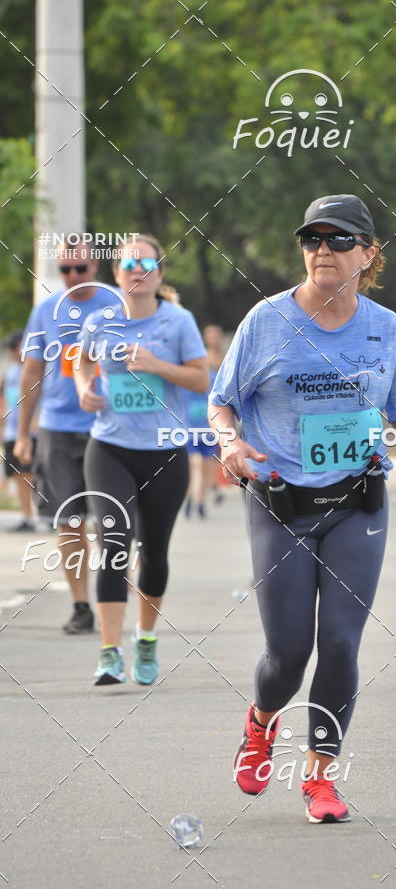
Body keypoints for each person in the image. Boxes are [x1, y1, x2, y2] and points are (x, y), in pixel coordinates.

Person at [208, 194, 396, 823]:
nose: (323, 250)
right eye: (313, 239)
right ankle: (262, 722)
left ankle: (319, 779)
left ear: (368, 254)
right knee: (288, 653)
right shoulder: (267, 321)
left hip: (357, 501)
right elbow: (222, 402)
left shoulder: (387, 329)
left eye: (340, 240)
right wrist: (229, 443)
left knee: (339, 643)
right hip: (280, 500)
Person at [73, 234, 208, 686]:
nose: (137, 271)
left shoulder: (179, 321)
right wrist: (85, 389)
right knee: (114, 542)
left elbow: (201, 380)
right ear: (116, 274)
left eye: (147, 263)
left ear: (159, 273)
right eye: (129, 264)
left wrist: (158, 366)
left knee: (154, 553)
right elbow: (81, 362)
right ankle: (109, 652)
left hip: (165, 451)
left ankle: (145, 639)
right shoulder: (99, 321)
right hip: (109, 447)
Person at [15, 237, 108, 633]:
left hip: (108, 428)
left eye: (80, 268)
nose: (73, 276)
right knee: (68, 521)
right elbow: (32, 372)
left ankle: (112, 596)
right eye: (65, 270)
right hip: (57, 428)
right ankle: (81, 605)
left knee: (110, 521)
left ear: (95, 267)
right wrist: (23, 431)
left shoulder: (116, 303)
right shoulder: (45, 310)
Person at [181, 325, 226, 517]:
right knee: (196, 466)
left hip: (206, 429)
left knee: (205, 467)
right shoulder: (186, 378)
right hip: (191, 429)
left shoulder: (213, 378)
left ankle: (199, 501)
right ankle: (191, 500)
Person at [1, 330, 37, 531]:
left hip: (34, 431)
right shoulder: (11, 372)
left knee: (35, 474)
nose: (14, 351)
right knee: (19, 474)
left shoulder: (36, 368)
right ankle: (27, 516)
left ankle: (49, 513)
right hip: (12, 431)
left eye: (16, 347)